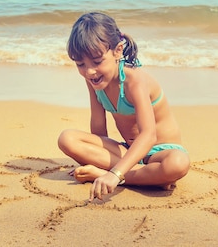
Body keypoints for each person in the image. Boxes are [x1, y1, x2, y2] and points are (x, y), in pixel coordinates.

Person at [57, 12, 190, 201]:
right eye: (80, 64)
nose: (89, 71)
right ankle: (147, 177)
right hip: (128, 151)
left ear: (117, 51)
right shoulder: (93, 80)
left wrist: (114, 174)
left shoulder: (134, 80)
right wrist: (91, 156)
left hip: (160, 152)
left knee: (178, 163)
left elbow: (149, 135)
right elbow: (98, 127)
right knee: (67, 139)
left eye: (97, 62)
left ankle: (120, 176)